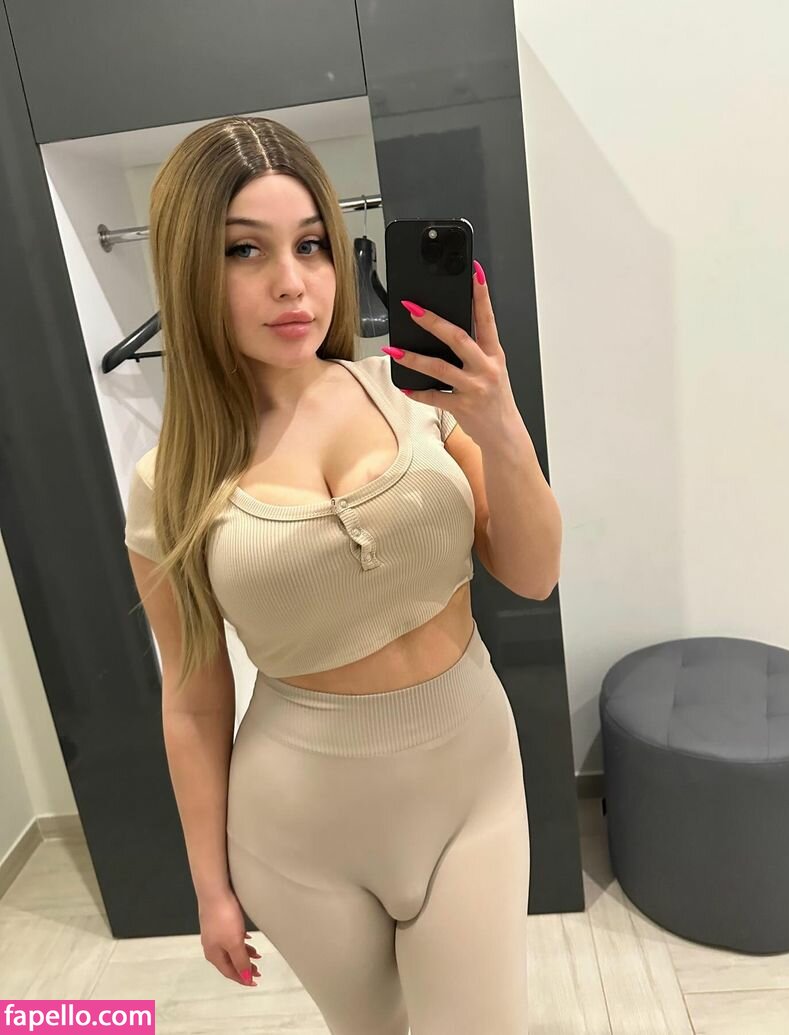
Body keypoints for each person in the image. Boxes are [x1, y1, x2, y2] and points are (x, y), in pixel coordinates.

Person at [124, 115, 534, 1034]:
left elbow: (535, 571)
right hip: (298, 829)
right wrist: (210, 889)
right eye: (244, 250)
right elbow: (193, 700)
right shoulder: (168, 483)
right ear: (189, 270)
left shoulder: (411, 394)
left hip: (470, 779)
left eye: (311, 244)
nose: (291, 281)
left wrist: (502, 422)